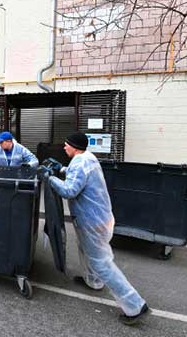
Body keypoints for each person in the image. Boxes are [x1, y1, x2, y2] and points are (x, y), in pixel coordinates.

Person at [45, 131, 150, 325]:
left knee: (102, 262)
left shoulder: (79, 162)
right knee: (86, 249)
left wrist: (50, 178)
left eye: (67, 144)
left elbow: (70, 190)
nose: (64, 147)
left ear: (75, 147)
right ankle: (93, 282)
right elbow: (78, 175)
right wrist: (62, 170)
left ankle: (135, 306)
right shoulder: (88, 158)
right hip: (100, 218)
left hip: (92, 222)